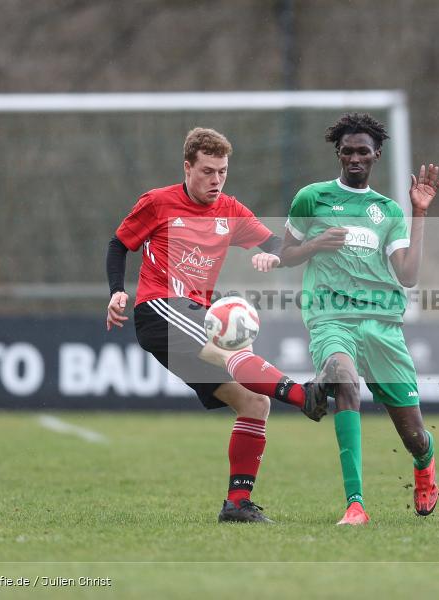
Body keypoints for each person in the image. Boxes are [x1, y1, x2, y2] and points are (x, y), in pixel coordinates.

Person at [105, 127, 332, 524]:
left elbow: (277, 245)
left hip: (196, 314)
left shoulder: (230, 210)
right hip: (160, 308)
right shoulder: (158, 202)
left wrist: (276, 257)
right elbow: (119, 244)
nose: (216, 180)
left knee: (254, 402)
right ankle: (303, 395)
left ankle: (237, 504)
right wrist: (116, 291)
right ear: (187, 167)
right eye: (207, 171)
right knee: (229, 349)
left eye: (222, 172)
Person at [255, 112, 439, 525]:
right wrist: (317, 243)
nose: (354, 158)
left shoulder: (387, 210)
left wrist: (419, 213)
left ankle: (425, 463)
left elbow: (408, 276)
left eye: (362, 152)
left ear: (377, 155)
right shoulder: (312, 198)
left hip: (381, 324)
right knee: (344, 378)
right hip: (330, 317)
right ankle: (355, 505)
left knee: (414, 436)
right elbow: (285, 255)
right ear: (338, 154)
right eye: (347, 151)